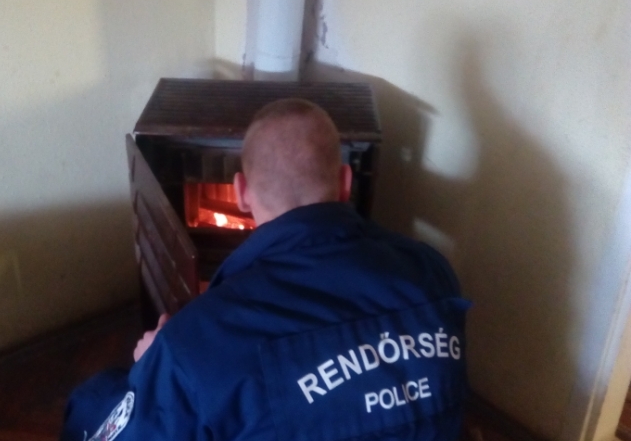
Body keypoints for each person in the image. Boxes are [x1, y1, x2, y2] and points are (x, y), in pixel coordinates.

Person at [61, 98, 469, 441]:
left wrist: (151, 370)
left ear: (240, 193)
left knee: (93, 400)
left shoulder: (195, 342)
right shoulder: (431, 271)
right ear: (346, 182)